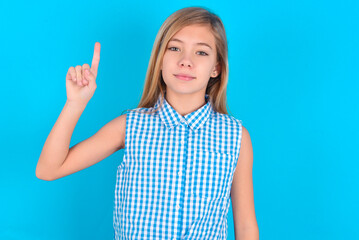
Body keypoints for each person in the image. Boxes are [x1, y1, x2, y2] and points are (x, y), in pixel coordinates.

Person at [36, 6, 259, 240]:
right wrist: (75, 104)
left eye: (201, 52)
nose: (185, 61)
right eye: (174, 48)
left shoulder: (235, 137)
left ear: (217, 67)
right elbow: (48, 169)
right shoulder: (130, 126)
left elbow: (245, 226)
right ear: (160, 60)